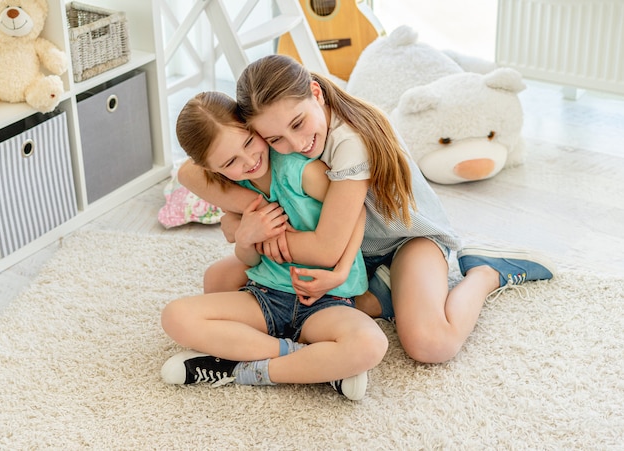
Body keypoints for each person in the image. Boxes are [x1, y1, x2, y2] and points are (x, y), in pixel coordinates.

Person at [178, 54, 556, 365]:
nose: (294, 144)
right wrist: (250, 210)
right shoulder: (265, 136)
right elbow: (188, 171)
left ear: (316, 93)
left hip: (404, 240)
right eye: (275, 138)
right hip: (354, 248)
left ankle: (485, 273)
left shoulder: (349, 144)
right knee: (222, 282)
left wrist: (252, 233)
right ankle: (382, 293)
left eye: (298, 124)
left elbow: (326, 247)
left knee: (431, 345)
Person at [160, 91, 388, 401]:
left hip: (323, 300)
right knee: (175, 316)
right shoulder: (234, 186)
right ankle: (310, 362)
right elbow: (249, 259)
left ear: (253, 129)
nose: (249, 161)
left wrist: (343, 269)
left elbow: (355, 209)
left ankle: (244, 369)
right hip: (266, 295)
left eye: (249, 143)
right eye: (230, 162)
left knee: (370, 344)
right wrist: (245, 234)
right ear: (213, 169)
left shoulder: (300, 170)